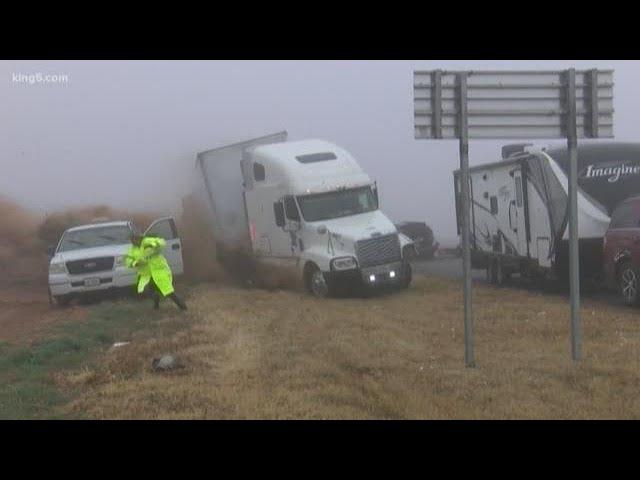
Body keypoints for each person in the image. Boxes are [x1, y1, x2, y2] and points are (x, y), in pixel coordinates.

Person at [126, 231, 187, 311]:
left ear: (138, 238)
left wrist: (154, 244)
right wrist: (134, 263)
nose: (132, 241)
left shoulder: (148, 241)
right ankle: (156, 299)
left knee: (167, 291)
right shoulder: (132, 249)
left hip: (159, 271)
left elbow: (162, 242)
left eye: (133, 239)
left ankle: (182, 306)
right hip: (146, 274)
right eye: (131, 239)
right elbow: (128, 260)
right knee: (143, 290)